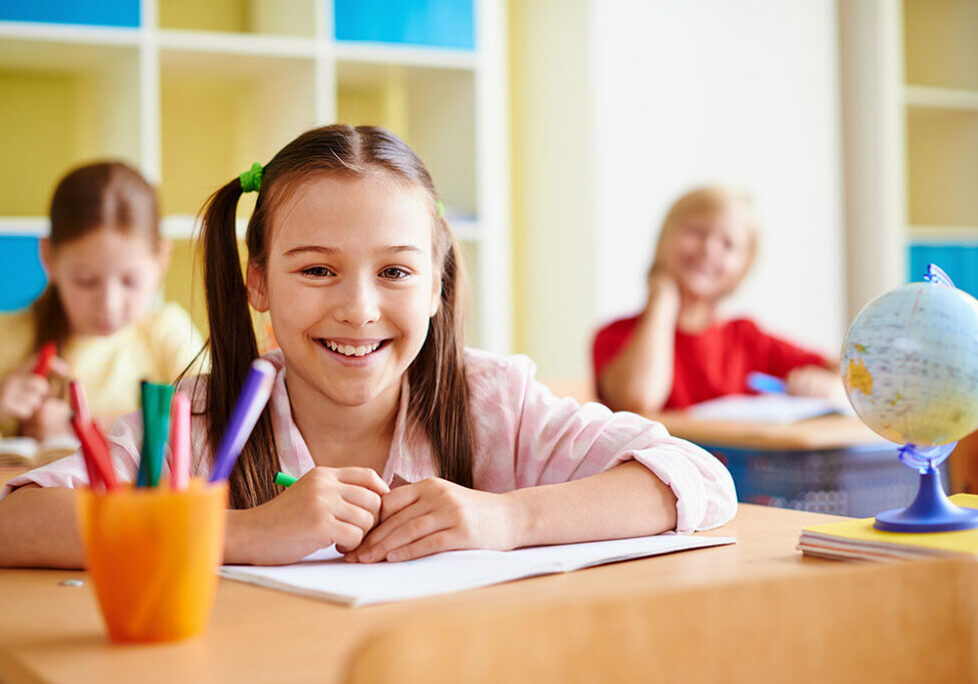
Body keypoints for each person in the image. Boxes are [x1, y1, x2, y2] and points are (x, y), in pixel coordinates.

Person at [0, 126, 735, 569]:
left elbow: (697, 478)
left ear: (439, 283)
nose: (358, 308)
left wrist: (508, 519)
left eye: (395, 271)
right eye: (317, 270)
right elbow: (14, 519)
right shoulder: (198, 423)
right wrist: (244, 534)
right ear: (258, 281)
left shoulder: (492, 403)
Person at [0, 162, 202, 441]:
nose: (108, 304)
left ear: (161, 260)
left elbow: (212, 420)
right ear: (49, 257)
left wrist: (81, 428)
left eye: (130, 281)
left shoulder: (168, 333)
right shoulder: (8, 336)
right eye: (86, 280)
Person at [593, 186, 840, 413]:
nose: (709, 248)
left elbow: (846, 370)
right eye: (696, 232)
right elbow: (639, 399)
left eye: (728, 244)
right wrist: (662, 301)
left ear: (743, 270)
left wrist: (829, 385)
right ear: (663, 239)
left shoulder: (747, 339)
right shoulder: (615, 336)